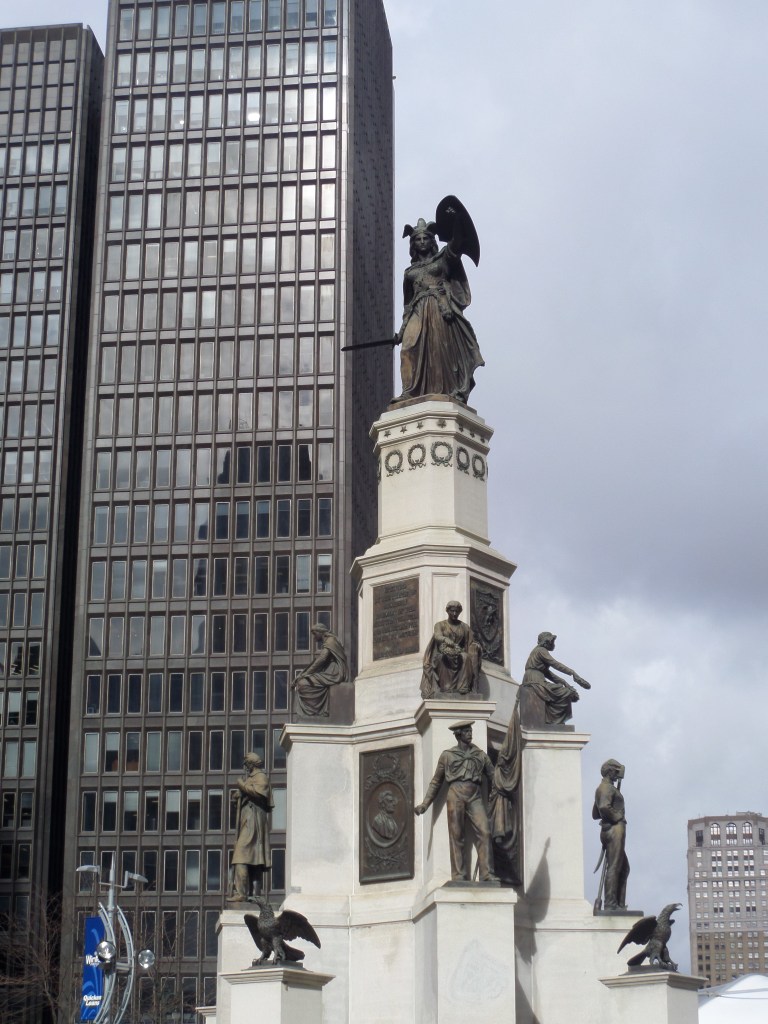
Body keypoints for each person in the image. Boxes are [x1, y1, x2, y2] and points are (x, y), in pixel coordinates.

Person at [396, 216, 483, 404]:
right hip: (418, 310)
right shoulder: (409, 272)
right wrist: (402, 331)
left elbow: (457, 244)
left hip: (439, 308)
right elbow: (407, 304)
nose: (421, 242)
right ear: (413, 244)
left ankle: (441, 390)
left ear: (431, 240)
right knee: (408, 348)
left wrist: (456, 221)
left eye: (425, 238)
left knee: (437, 348)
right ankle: (408, 392)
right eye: (417, 239)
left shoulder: (442, 258)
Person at [415, 721, 498, 883]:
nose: (470, 733)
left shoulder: (480, 755)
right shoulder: (447, 756)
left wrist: (502, 787)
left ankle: (487, 873)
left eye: (471, 730)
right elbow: (436, 782)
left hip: (475, 794)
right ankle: (459, 875)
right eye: (467, 731)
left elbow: (494, 777)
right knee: (456, 835)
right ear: (458, 734)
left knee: (485, 831)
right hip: (455, 793)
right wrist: (425, 803)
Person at [519, 631, 591, 727]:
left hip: (533, 679)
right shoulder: (541, 650)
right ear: (546, 642)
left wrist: (564, 682)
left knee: (564, 690)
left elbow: (548, 674)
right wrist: (572, 673)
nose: (553, 644)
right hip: (535, 682)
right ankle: (554, 721)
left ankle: (551, 720)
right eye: (552, 641)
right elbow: (555, 664)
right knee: (565, 693)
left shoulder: (536, 652)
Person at [230, 753, 274, 901]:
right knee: (253, 858)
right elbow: (243, 795)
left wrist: (242, 786)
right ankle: (254, 895)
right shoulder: (250, 779)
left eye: (246, 764)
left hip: (254, 821)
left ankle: (241, 894)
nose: (245, 767)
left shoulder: (261, 777)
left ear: (251, 764)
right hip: (247, 820)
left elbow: (259, 794)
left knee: (241, 856)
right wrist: (237, 796)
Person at [420, 601, 481, 699]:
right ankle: (446, 687)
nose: (454, 614)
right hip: (442, 652)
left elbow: (470, 642)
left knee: (465, 657)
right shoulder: (440, 625)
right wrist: (445, 639)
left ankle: (463, 687)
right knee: (443, 658)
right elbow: (437, 635)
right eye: (452, 611)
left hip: (459, 652)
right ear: (447, 611)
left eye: (457, 611)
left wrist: (475, 646)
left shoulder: (464, 627)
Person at [593, 759, 629, 911]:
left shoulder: (605, 788)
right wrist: (617, 816)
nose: (617, 774)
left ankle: (619, 904)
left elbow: (595, 813)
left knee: (624, 867)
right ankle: (611, 904)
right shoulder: (606, 788)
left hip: (611, 829)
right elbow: (602, 807)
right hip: (614, 829)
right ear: (609, 771)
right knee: (615, 866)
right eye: (615, 771)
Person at [292, 623, 349, 716]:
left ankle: (315, 711)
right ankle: (319, 709)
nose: (314, 637)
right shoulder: (329, 641)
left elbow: (321, 659)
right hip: (329, 671)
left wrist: (305, 674)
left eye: (314, 634)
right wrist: (304, 673)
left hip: (335, 673)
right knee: (302, 682)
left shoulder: (330, 641)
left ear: (320, 632)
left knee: (303, 683)